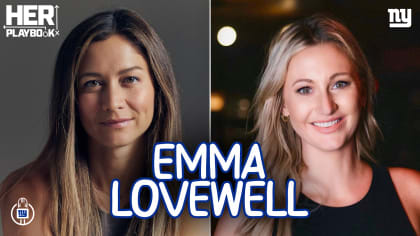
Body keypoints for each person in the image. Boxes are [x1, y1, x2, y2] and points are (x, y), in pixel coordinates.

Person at [215, 14, 420, 236]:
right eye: (305, 89)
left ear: (362, 91)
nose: (326, 106)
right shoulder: (248, 215)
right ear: (283, 105)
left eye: (339, 84)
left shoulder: (411, 192)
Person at [0, 9, 188, 236]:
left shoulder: (195, 196)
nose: (112, 102)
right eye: (93, 83)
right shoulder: (27, 192)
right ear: (71, 98)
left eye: (129, 79)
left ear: (158, 89)